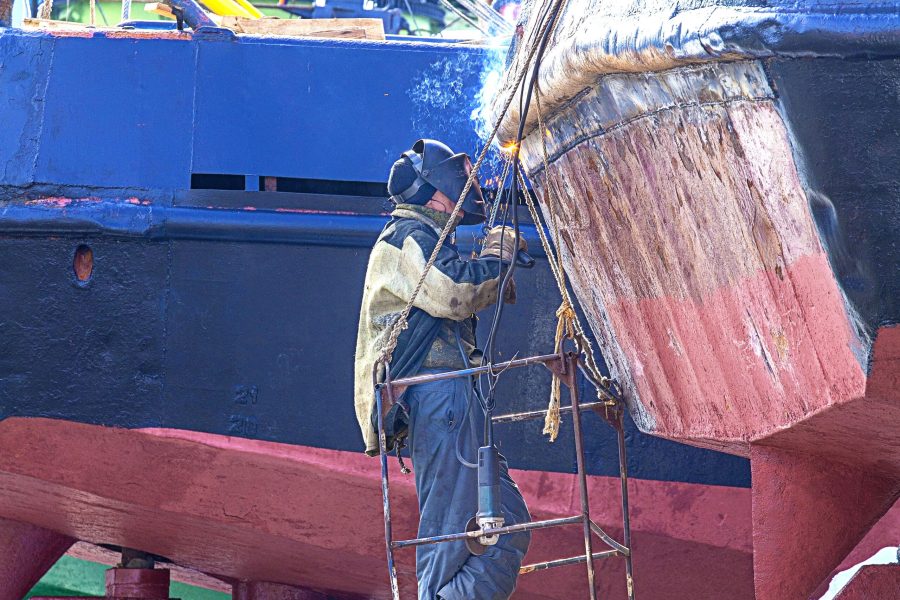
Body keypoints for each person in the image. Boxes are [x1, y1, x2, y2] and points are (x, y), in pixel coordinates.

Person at [355, 139, 531, 599]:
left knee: (507, 525)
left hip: (454, 398)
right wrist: (499, 257)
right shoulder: (407, 238)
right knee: (452, 537)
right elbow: (455, 291)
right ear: (437, 192)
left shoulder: (426, 240)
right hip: (438, 398)